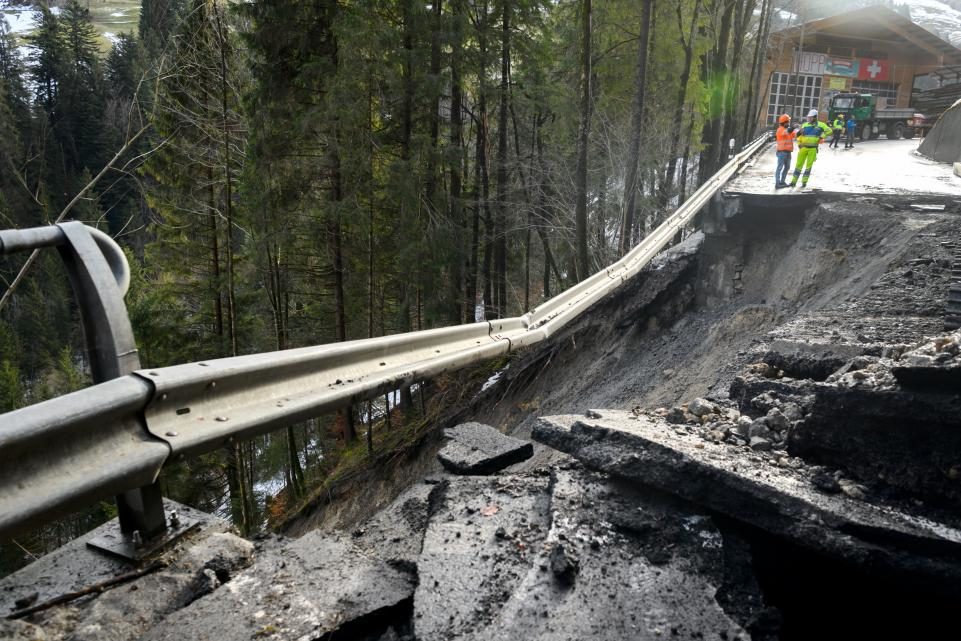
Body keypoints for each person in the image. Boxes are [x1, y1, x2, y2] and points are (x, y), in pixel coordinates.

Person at [790, 109, 832, 189]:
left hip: (812, 149)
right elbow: (799, 136)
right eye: (808, 117)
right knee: (798, 165)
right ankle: (793, 182)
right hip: (803, 148)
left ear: (815, 117)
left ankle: (804, 182)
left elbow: (829, 131)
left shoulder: (821, 125)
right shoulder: (805, 125)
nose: (809, 119)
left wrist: (822, 136)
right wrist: (799, 144)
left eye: (810, 117)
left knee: (808, 166)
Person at [774, 114, 795, 189]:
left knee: (787, 167)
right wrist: (792, 127)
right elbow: (786, 132)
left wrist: (800, 132)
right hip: (782, 152)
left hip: (788, 152)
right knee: (779, 168)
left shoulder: (787, 129)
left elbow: (794, 134)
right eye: (788, 121)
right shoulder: (780, 129)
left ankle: (782, 182)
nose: (789, 123)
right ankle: (777, 183)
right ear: (784, 122)